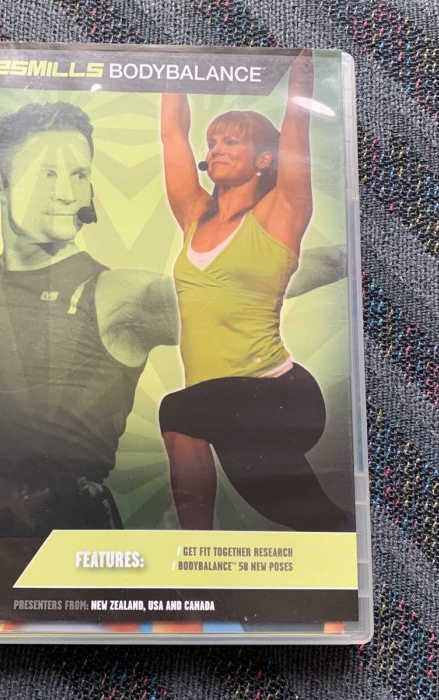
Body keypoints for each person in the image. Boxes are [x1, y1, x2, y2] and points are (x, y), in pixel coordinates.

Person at [0, 102, 177, 537]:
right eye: (47, 174)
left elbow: (240, 294)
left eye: (79, 175)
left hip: (62, 538)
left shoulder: (116, 293)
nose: (67, 194)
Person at [158, 51, 350, 531]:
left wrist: (302, 76)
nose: (217, 148)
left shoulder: (280, 214)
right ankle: (336, 561)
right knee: (308, 519)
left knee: (176, 410)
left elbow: (296, 128)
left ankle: (193, 555)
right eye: (213, 141)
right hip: (226, 408)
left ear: (264, 159)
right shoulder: (193, 214)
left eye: (232, 141)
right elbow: (172, 134)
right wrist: (168, 67)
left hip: (279, 395)